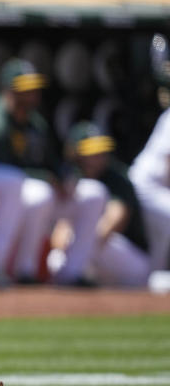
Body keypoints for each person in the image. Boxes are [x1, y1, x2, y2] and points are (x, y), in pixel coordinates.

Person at [0, 59, 103, 285]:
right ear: (10, 90)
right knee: (40, 193)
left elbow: (53, 161)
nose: (32, 93)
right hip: (4, 200)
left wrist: (67, 178)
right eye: (25, 89)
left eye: (33, 88)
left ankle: (73, 271)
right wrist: (47, 178)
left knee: (93, 192)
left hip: (41, 193)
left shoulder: (35, 122)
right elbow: (5, 170)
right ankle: (26, 270)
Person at [52, 122, 150, 286]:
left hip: (127, 255)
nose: (99, 157)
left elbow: (115, 218)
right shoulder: (71, 177)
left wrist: (82, 249)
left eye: (101, 151)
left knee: (85, 248)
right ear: (76, 153)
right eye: (92, 152)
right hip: (89, 251)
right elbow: (60, 234)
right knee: (55, 260)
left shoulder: (116, 178)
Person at [129, 107, 170, 272]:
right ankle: (153, 277)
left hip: (160, 189)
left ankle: (153, 278)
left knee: (159, 239)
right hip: (145, 185)